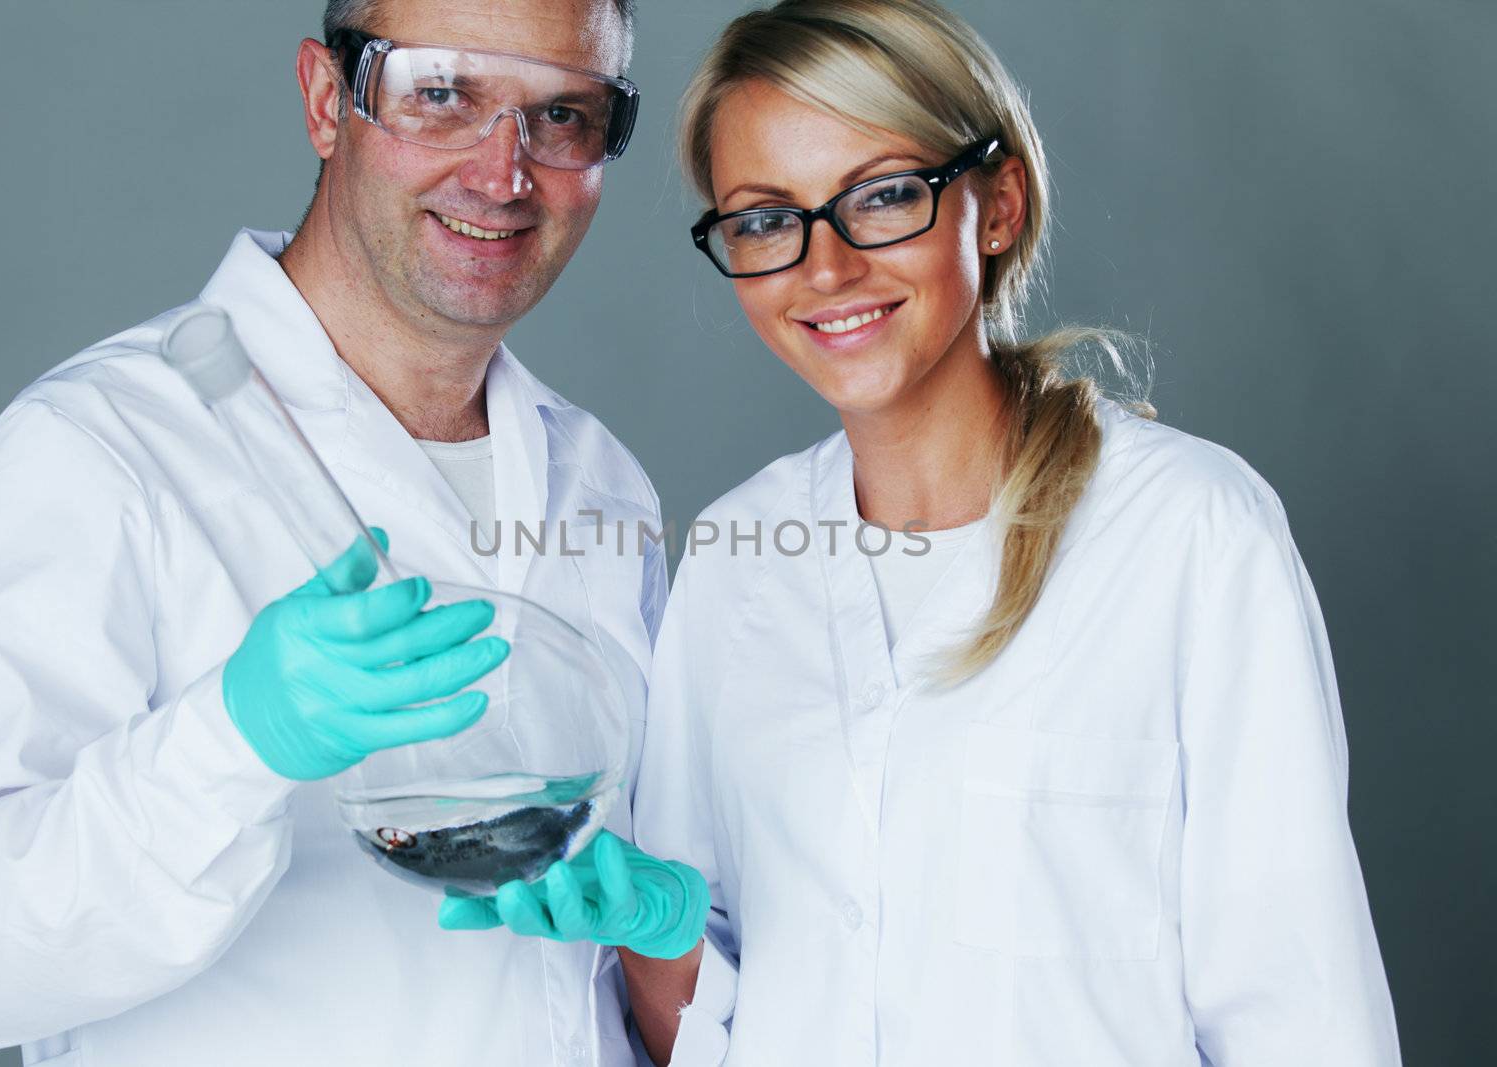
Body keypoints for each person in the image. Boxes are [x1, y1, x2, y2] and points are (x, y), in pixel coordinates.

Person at [443, 1, 1404, 1064]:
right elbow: (696, 1038)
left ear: (995, 205)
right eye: (766, 218)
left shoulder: (1188, 535)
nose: (826, 266)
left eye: (883, 195)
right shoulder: (733, 557)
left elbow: (1304, 1016)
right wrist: (662, 934)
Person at [0, 0, 689, 1063]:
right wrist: (233, 738)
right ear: (328, 99)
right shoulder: (102, 445)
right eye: (444, 95)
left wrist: (672, 930)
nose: (504, 174)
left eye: (563, 116)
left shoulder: (602, 484)